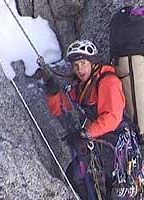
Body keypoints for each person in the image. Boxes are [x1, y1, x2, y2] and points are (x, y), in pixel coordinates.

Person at [39, 40, 129, 200]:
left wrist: (85, 133)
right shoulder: (81, 86)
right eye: (76, 65)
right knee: (75, 176)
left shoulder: (108, 82)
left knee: (115, 190)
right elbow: (61, 109)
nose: (79, 69)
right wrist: (52, 90)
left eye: (83, 63)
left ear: (93, 63)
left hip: (114, 143)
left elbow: (112, 117)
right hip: (96, 142)